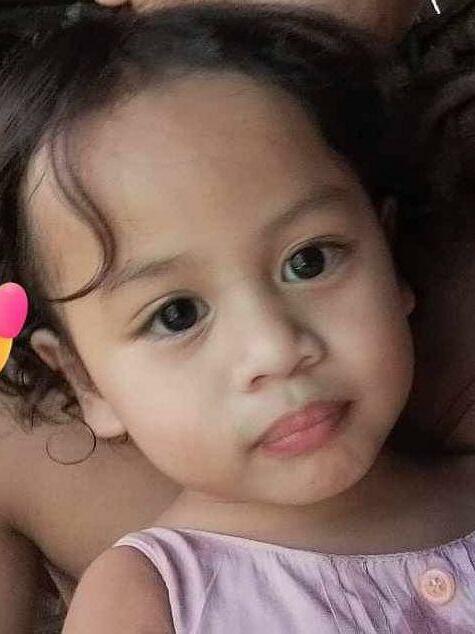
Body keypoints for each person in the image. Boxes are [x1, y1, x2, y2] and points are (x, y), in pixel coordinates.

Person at [2, 3, 472, 631]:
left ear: (390, 261)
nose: (275, 348)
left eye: (309, 262)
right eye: (176, 315)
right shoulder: (148, 602)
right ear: (86, 381)